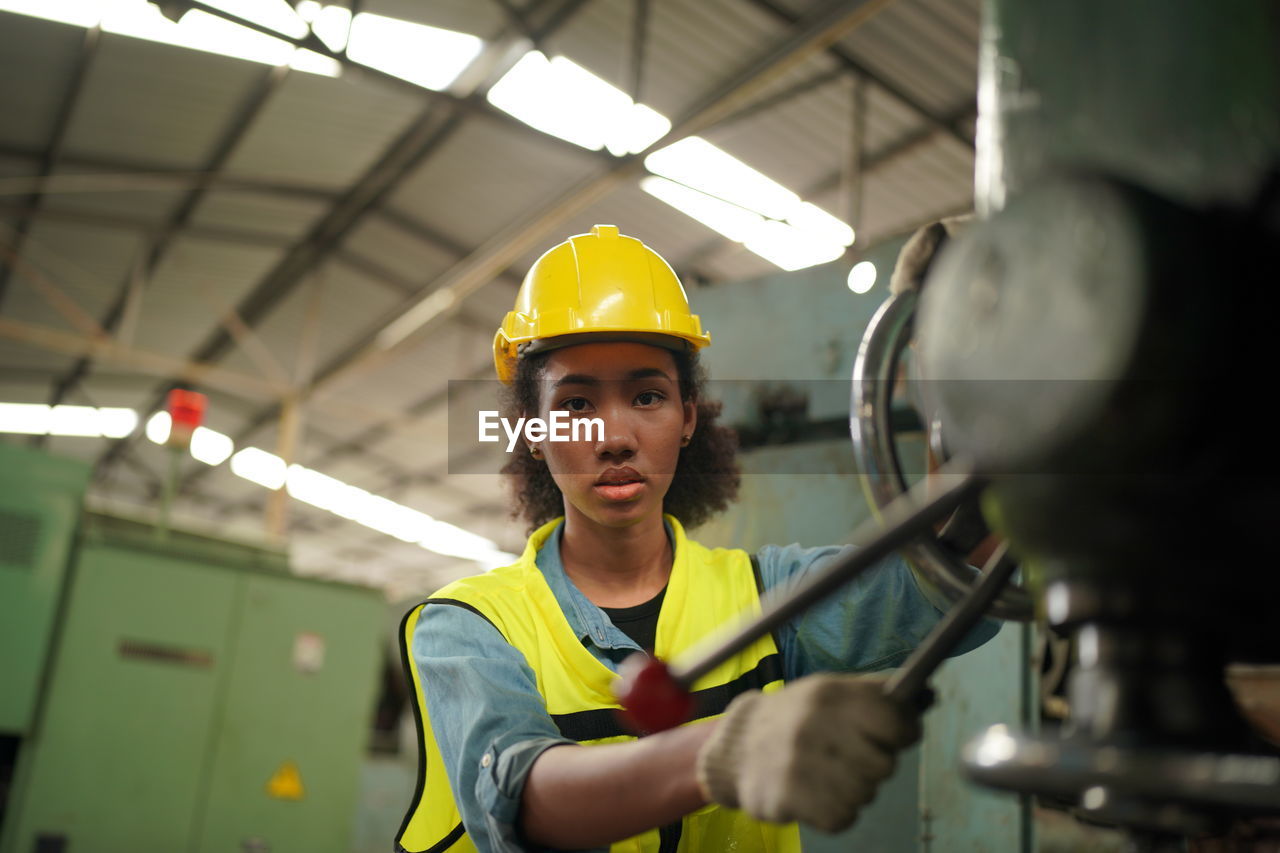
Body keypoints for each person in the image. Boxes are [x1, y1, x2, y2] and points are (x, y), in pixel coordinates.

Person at [396, 224, 999, 853]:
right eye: (575, 404)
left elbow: (943, 570)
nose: (615, 437)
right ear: (533, 431)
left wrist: (953, 370)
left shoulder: (769, 598)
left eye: (647, 395)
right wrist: (725, 750)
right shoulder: (466, 627)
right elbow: (525, 801)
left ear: (687, 417)